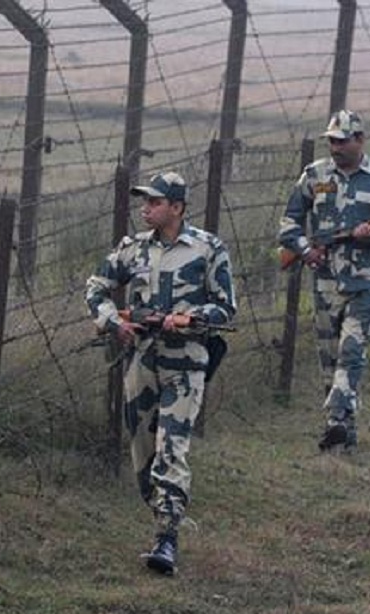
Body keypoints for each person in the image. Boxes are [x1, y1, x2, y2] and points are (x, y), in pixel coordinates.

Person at [85, 171, 237, 576]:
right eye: (144, 201)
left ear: (177, 207)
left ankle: (166, 536)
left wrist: (189, 318)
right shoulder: (132, 250)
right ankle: (162, 511)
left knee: (173, 446)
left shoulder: (208, 249)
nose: (145, 208)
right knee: (141, 449)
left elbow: (226, 308)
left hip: (186, 361)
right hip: (141, 359)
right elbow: (96, 287)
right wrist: (113, 323)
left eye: (154, 202)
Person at [278, 109, 370, 452]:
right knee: (330, 361)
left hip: (366, 283)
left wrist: (368, 236)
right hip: (325, 282)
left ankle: (335, 421)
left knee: (351, 353)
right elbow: (289, 223)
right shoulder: (314, 175)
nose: (335, 147)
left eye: (342, 141)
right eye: (332, 141)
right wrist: (306, 251)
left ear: (360, 140)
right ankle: (342, 435)